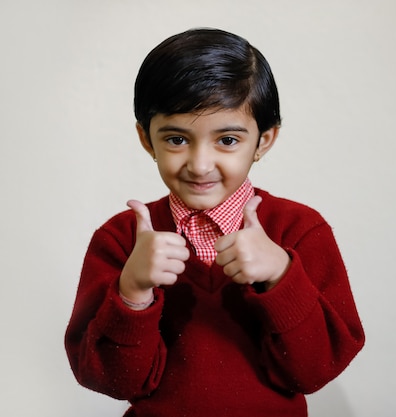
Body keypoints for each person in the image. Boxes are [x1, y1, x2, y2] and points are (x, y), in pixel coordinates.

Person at [64, 28, 365, 417]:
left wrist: (281, 275)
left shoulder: (300, 230)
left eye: (227, 141)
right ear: (146, 139)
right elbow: (112, 382)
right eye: (176, 139)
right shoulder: (122, 240)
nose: (200, 164)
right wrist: (133, 291)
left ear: (264, 141)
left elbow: (312, 373)